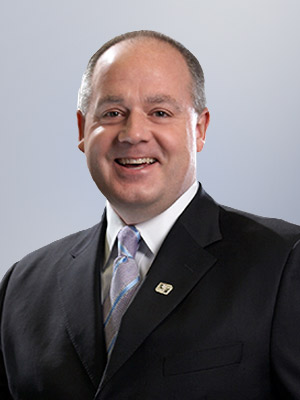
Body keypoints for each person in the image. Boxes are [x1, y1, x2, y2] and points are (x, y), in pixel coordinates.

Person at [1, 30, 300, 400]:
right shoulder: (22, 286)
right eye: (112, 113)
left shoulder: (284, 262)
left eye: (160, 112)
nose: (134, 133)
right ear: (82, 130)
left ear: (200, 129)